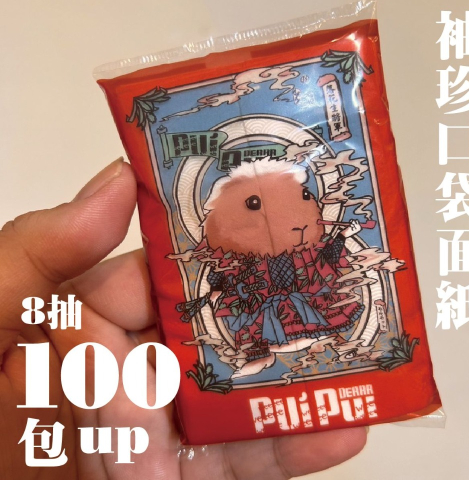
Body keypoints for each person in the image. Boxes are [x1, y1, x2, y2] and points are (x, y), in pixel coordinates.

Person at [0, 158, 366, 479]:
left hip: (295, 299)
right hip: (256, 308)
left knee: (309, 313)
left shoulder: (306, 255)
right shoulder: (237, 262)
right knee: (254, 322)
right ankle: (261, 351)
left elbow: (321, 267)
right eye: (255, 205)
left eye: (304, 196)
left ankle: (319, 336)